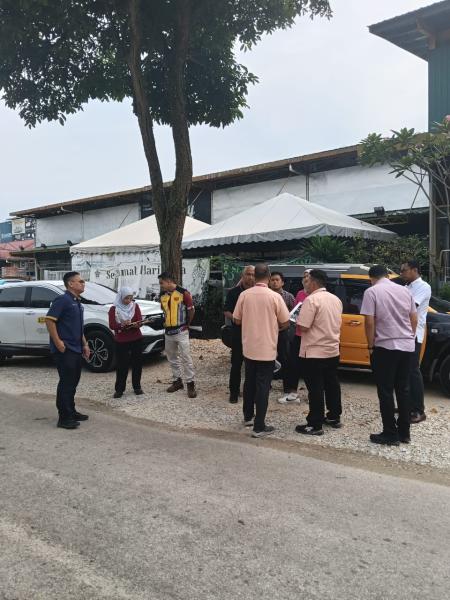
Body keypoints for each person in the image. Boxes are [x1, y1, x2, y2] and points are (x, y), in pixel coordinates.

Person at [361, 265, 417, 446]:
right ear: (387, 275)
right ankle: (404, 433)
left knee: (385, 390)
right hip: (407, 346)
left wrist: (371, 345)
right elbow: (413, 318)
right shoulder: (405, 291)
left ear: (371, 278)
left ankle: (390, 433)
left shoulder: (372, 292)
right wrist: (409, 337)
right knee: (403, 389)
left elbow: (369, 322)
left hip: (385, 346)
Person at [233, 264, 290, 438]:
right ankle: (259, 426)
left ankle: (247, 417)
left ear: (254, 276)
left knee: (249, 382)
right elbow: (286, 322)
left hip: (249, 347)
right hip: (267, 348)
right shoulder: (275, 297)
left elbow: (236, 320)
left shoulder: (244, 295)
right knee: (263, 386)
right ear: (269, 276)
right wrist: (273, 326)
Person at [295, 269, 343, 436]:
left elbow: (303, 326)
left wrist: (296, 319)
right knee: (332, 384)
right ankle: (334, 416)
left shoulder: (311, 300)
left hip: (314, 351)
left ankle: (315, 424)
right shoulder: (335, 299)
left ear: (314, 282)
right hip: (332, 349)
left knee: (315, 388)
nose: (306, 284)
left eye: (308, 281)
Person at [45, 271, 91, 429]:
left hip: (76, 348)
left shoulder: (77, 302)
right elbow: (49, 320)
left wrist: (85, 344)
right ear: (71, 284)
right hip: (65, 349)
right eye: (80, 281)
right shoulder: (62, 300)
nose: (83, 284)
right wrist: (58, 342)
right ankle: (64, 418)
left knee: (73, 382)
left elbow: (78, 327)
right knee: (66, 383)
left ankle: (71, 411)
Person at [400, 260, 431, 424]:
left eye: (404, 270)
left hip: (413, 335)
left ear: (414, 270)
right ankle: (407, 405)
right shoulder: (406, 287)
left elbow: (410, 307)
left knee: (413, 371)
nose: (402, 273)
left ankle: (419, 410)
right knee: (404, 371)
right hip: (403, 333)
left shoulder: (423, 287)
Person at [158, 272, 197, 398]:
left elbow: (191, 310)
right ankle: (177, 381)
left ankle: (190, 383)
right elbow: (164, 311)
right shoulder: (162, 295)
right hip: (168, 332)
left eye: (162, 283)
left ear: (169, 281)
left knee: (186, 358)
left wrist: (187, 325)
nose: (161, 285)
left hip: (181, 331)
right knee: (172, 358)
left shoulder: (183, 293)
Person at [278, 269, 311, 404]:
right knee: (294, 364)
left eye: (308, 276)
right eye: (304, 276)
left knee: (310, 366)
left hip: (311, 337)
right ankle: (292, 393)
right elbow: (295, 312)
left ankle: (313, 394)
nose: (305, 279)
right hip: (297, 334)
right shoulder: (300, 293)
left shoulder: (318, 296)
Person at [223, 265, 255, 403]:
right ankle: (234, 393)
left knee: (252, 366)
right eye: (248, 274)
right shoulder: (233, 292)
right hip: (238, 334)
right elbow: (226, 310)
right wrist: (236, 318)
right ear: (242, 276)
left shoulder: (259, 293)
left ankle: (250, 393)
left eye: (253, 274)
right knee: (236, 364)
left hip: (255, 335)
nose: (250, 277)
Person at [108, 287, 144, 399]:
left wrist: (137, 324)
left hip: (136, 338)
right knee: (122, 365)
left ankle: (137, 387)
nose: (129, 301)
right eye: (126, 298)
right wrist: (122, 325)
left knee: (137, 364)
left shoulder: (135, 306)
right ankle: (119, 389)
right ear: (121, 297)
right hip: (121, 340)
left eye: (130, 298)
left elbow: (139, 320)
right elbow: (112, 325)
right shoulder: (114, 309)